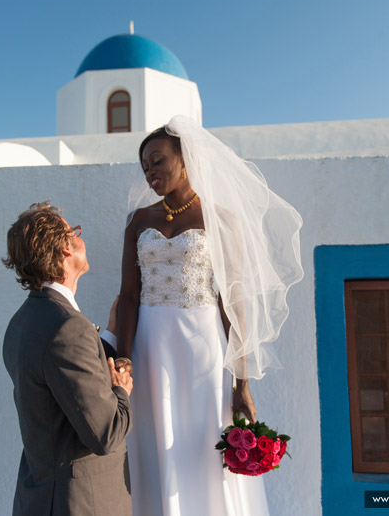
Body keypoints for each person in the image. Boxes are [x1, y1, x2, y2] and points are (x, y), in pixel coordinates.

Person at [114, 116, 303, 516]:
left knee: (203, 442)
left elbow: (232, 304)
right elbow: (128, 297)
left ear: (185, 158)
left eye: (158, 161)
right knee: (156, 438)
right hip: (150, 348)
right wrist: (124, 358)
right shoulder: (138, 223)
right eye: (145, 167)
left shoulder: (219, 219)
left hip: (204, 347)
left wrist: (242, 382)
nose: (150, 173)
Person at [2, 201, 134, 516]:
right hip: (79, 501)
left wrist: (111, 337)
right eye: (74, 231)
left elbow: (63, 389)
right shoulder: (67, 327)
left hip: (41, 495)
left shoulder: (22, 321)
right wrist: (123, 392)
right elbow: (106, 434)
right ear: (65, 249)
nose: (80, 237)